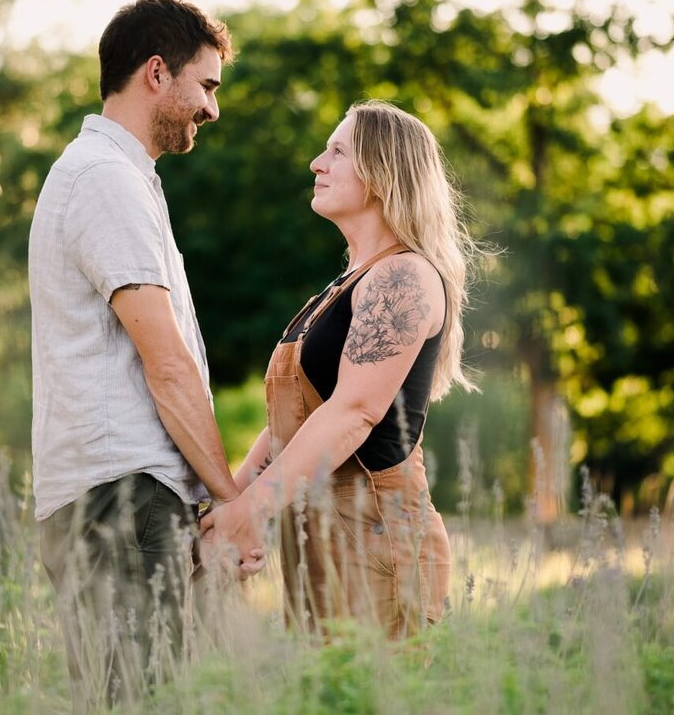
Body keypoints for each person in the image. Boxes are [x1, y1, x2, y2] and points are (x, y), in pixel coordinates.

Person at [28, 0, 263, 708]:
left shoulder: (122, 178)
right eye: (207, 85)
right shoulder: (104, 180)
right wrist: (233, 503)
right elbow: (166, 366)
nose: (212, 109)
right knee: (137, 698)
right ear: (157, 73)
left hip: (123, 497)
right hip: (121, 499)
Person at [201, 100, 473, 639]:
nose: (316, 164)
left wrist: (254, 510)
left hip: (379, 545)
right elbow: (294, 427)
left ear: (381, 172)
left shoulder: (404, 278)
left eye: (338, 151)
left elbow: (354, 412)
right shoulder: (342, 287)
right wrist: (231, 506)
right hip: (318, 544)